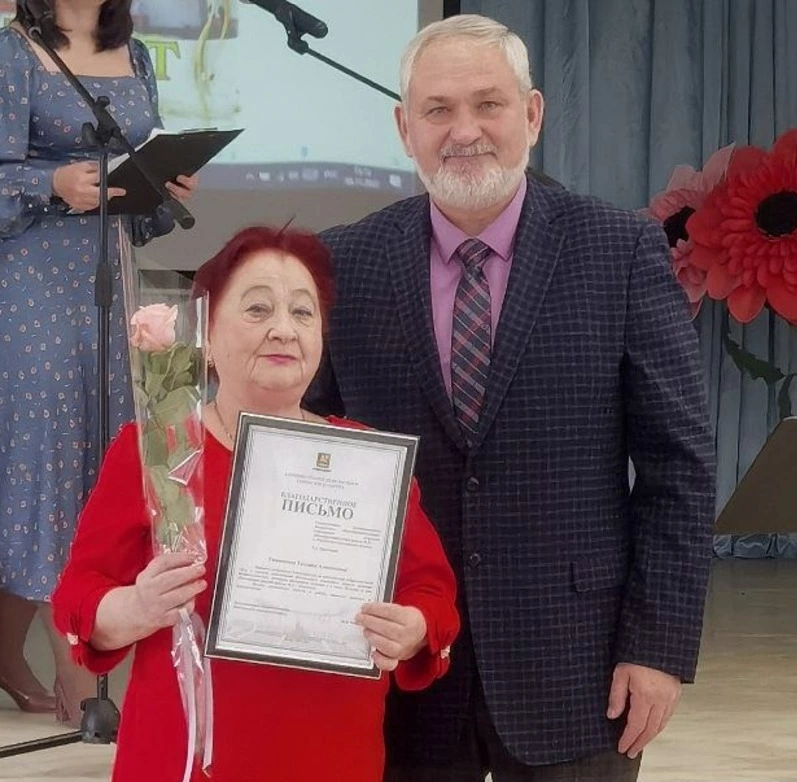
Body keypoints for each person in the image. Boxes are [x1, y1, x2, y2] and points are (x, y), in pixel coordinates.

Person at [309, 13, 717, 782]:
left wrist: (658, 648)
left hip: (580, 666)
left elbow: (679, 467)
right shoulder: (345, 262)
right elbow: (311, 449)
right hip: (399, 668)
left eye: (488, 104)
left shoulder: (620, 251)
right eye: (438, 109)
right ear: (404, 128)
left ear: (531, 114)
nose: (464, 131)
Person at [51, 225, 460, 781]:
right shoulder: (162, 449)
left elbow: (432, 594)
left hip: (331, 757)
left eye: (303, 312)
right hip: (184, 759)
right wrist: (137, 607)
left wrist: (412, 627)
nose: (283, 329)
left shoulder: (366, 461)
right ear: (208, 332)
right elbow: (78, 599)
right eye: (258, 309)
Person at [0, 0, 197, 725]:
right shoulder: (13, 51)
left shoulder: (136, 53)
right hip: (29, 282)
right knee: (48, 461)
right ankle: (79, 668)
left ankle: (11, 651)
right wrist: (50, 185)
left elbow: (139, 205)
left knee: (101, 456)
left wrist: (160, 188)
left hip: (109, 280)